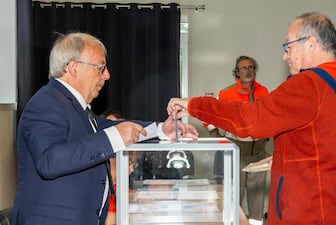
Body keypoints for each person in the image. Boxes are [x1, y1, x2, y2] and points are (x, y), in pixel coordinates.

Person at [167, 12, 336, 224]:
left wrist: (193, 105)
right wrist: (286, 156)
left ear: (311, 44)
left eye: (288, 46)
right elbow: (330, 145)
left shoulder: (308, 84)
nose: (285, 55)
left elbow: (250, 119)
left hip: (306, 213)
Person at [12, 32, 198, 225]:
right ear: (74, 68)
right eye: (100, 68)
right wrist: (112, 138)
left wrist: (161, 130)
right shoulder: (46, 102)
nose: (107, 75)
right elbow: (49, 160)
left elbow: (108, 127)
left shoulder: (74, 105)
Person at [205, 55, 269, 225]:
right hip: (237, 152)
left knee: (257, 199)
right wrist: (217, 137)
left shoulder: (263, 91)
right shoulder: (227, 93)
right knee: (235, 197)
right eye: (243, 68)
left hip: (259, 152)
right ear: (237, 72)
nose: (248, 71)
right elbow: (210, 115)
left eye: (251, 67)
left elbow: (269, 116)